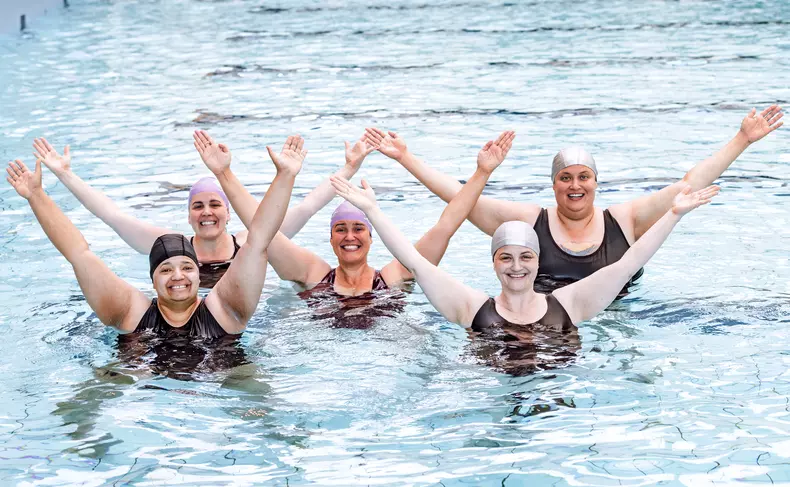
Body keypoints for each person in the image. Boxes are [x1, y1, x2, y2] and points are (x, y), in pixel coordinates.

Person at [364, 105, 782, 292]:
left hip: (618, 317)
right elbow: (463, 201)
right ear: (554, 184)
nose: (575, 186)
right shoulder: (531, 221)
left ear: (596, 183)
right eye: (565, 178)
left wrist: (741, 139)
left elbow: (686, 186)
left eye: (584, 177)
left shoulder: (626, 219)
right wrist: (406, 158)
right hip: (551, 321)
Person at [330, 174, 719, 373]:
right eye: (505, 258)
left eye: (524, 257)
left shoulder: (569, 303)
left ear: (537, 260)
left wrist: (673, 214)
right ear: (494, 263)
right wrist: (374, 212)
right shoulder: (470, 307)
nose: (516, 267)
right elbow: (415, 262)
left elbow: (627, 265)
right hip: (490, 391)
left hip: (559, 399)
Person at [5, 134, 304, 337]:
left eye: (187, 267)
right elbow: (79, 254)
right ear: (152, 279)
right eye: (166, 269)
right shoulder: (129, 312)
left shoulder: (224, 309)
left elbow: (260, 239)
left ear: (200, 277)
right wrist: (36, 196)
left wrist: (285, 176)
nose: (178, 276)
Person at [32, 130, 372, 287]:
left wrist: (349, 170)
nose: (206, 213)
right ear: (189, 214)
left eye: (214, 205)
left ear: (227, 211)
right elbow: (111, 215)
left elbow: (308, 206)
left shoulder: (252, 239)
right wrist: (65, 174)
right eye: (198, 206)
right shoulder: (173, 249)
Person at [199, 130, 516, 297]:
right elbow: (261, 232)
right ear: (331, 237)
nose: (349, 236)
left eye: (357, 228)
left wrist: (482, 172)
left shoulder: (395, 276)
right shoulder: (311, 274)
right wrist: (225, 174)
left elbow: (446, 226)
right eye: (341, 229)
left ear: (371, 236)